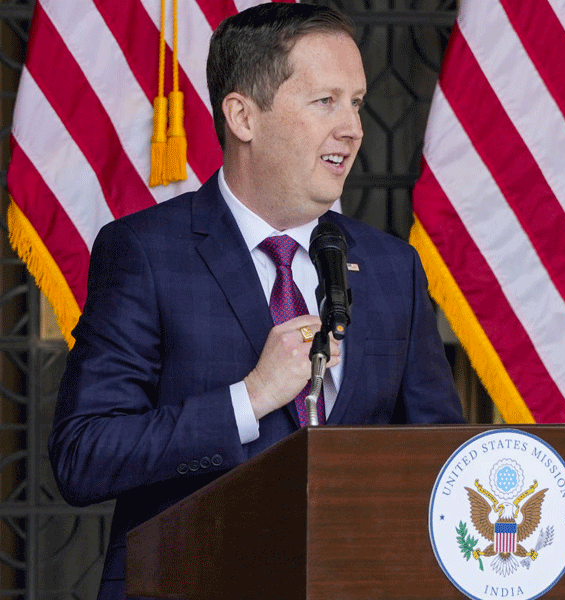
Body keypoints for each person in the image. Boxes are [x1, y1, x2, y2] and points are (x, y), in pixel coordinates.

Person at [48, 4, 465, 599]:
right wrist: (250, 398)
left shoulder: (392, 268)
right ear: (243, 116)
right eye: (326, 102)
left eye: (356, 102)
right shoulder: (144, 252)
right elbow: (84, 456)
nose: (353, 127)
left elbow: (439, 462)